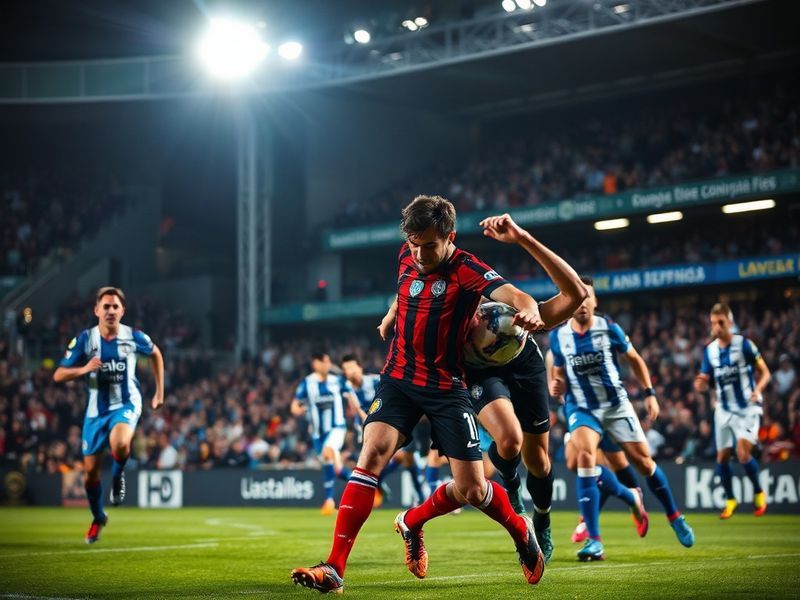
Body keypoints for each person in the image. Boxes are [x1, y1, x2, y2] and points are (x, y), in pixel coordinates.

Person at [291, 197, 562, 593]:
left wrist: (529, 311)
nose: (418, 254)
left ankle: (519, 529)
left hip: (448, 386)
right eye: (413, 244)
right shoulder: (409, 253)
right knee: (371, 453)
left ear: (450, 237)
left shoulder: (467, 268)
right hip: (398, 378)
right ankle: (334, 569)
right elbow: (403, 291)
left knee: (472, 489)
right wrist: (389, 316)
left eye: (428, 246)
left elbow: (515, 295)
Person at [464, 213, 588, 564]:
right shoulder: (452, 332)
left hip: (526, 366)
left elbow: (576, 292)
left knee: (538, 459)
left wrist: (523, 237)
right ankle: (510, 483)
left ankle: (543, 518)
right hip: (480, 375)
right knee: (509, 440)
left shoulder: (516, 317)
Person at [549, 276, 694, 561]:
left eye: (587, 297)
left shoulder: (608, 328)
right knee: (585, 457)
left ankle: (674, 515)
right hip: (582, 408)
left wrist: (650, 393)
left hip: (616, 406)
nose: (582, 304)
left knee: (644, 463)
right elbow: (558, 371)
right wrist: (557, 383)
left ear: (595, 301)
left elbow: (636, 360)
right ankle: (594, 539)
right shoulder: (559, 336)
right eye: (576, 299)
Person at [53, 286, 164, 544]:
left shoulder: (134, 336)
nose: (111, 310)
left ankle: (117, 476)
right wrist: (84, 369)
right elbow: (58, 374)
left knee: (121, 443)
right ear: (96, 311)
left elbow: (156, 353)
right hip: (95, 412)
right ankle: (98, 518)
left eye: (115, 306)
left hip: (126, 403)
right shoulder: (85, 340)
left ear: (122, 311)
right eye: (106, 306)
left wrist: (159, 392)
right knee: (90, 475)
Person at [546, 350, 645, 543]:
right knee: (580, 464)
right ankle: (632, 496)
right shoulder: (554, 351)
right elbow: (554, 388)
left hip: (599, 409)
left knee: (602, 465)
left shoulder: (590, 343)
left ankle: (591, 526)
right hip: (575, 412)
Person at [693, 303, 771, 519]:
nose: (717, 327)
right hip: (723, 410)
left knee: (742, 452)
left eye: (721, 322)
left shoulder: (744, 345)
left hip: (747, 407)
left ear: (730, 322)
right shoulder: (710, 351)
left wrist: (757, 389)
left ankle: (758, 491)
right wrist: (701, 384)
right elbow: (705, 378)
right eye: (713, 323)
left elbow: (765, 373)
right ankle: (730, 500)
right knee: (722, 457)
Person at [341, 354, 426, 507]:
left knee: (406, 458)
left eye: (351, 367)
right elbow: (357, 410)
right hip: (367, 429)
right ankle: (370, 494)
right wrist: (367, 419)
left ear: (360, 367)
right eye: (346, 369)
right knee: (373, 464)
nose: (349, 371)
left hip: (389, 423)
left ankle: (419, 495)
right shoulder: (347, 388)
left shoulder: (375, 380)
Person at [291, 351, 359, 515]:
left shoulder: (337, 381)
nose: (328, 364)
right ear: (316, 363)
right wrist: (299, 409)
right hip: (317, 434)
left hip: (337, 428)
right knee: (334, 467)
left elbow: (351, 396)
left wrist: (359, 413)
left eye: (329, 361)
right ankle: (364, 485)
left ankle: (329, 500)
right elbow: (294, 406)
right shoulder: (307, 383)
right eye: (325, 361)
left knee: (329, 453)